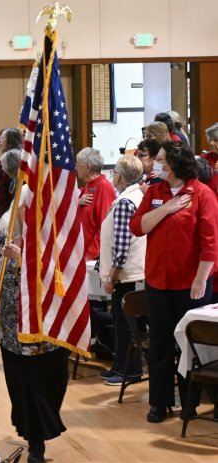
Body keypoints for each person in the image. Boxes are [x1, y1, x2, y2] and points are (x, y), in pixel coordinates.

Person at [0, 190, 69, 463]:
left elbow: (61, 280)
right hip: (11, 330)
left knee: (50, 386)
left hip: (46, 332)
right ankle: (35, 441)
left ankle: (40, 430)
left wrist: (23, 260)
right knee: (23, 387)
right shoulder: (0, 239)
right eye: (21, 210)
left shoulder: (51, 240)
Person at [130, 141, 218, 423]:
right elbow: (138, 226)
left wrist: (201, 279)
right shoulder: (156, 191)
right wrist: (166, 209)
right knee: (159, 345)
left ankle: (190, 404)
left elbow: (210, 243)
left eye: (161, 159)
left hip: (190, 283)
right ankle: (159, 403)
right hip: (158, 281)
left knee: (189, 346)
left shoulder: (202, 194)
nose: (157, 163)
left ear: (174, 164)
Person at [99, 155, 146, 385]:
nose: (112, 176)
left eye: (114, 172)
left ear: (119, 176)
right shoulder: (135, 196)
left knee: (125, 324)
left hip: (126, 273)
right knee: (122, 322)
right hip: (131, 272)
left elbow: (122, 243)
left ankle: (129, 371)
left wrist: (112, 274)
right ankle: (120, 366)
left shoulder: (126, 202)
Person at [76, 147, 116, 261]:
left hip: (93, 257)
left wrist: (90, 254)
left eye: (78, 164)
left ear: (87, 167)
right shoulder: (89, 185)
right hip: (82, 252)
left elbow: (105, 225)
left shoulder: (103, 187)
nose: (76, 167)